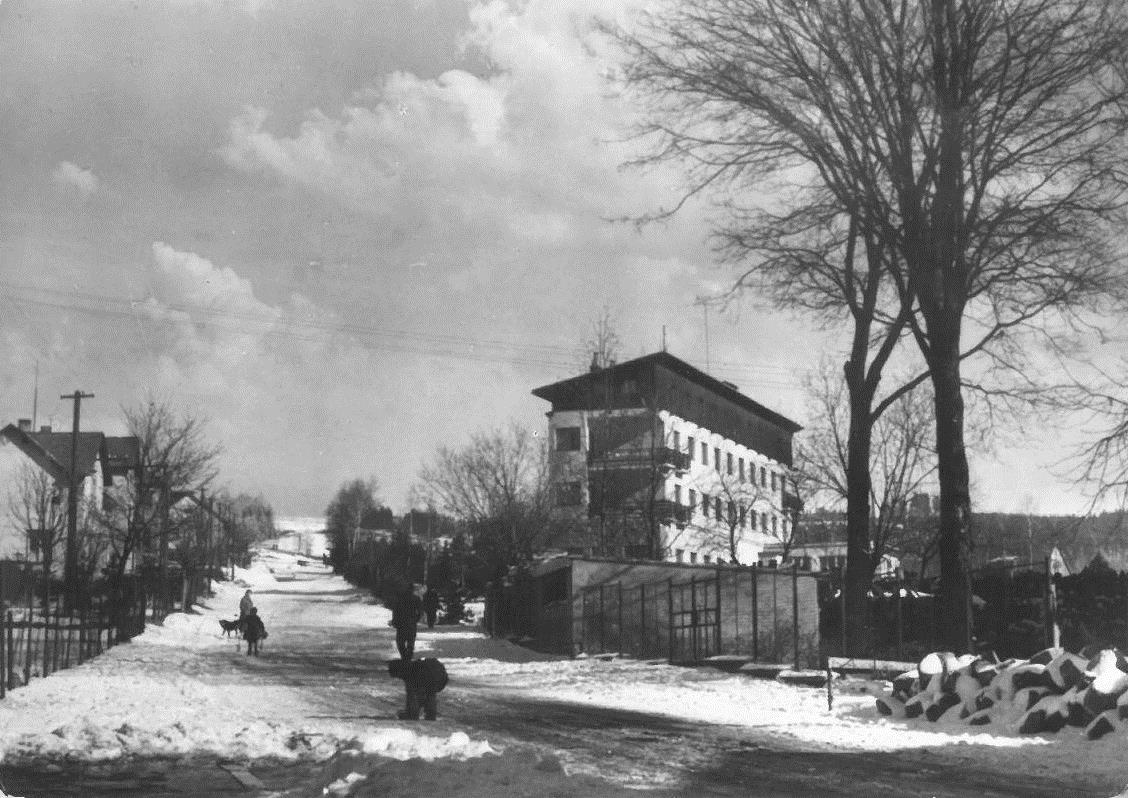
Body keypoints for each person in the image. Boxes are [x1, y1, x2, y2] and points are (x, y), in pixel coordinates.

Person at [390, 584, 423, 660]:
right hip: (411, 623)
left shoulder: (400, 599)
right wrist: (416, 619)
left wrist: (395, 620)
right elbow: (420, 611)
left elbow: (395, 611)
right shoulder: (416, 598)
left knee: (400, 642)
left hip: (401, 623)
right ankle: (408, 657)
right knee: (410, 641)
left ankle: (404, 656)